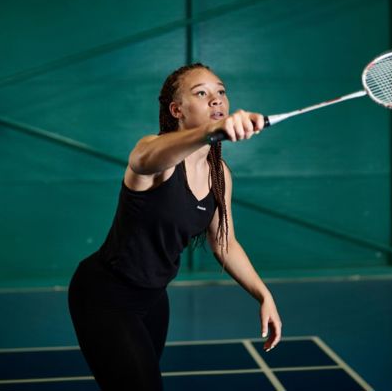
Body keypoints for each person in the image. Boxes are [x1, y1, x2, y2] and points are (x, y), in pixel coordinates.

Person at [68, 63, 282, 390]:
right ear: (177, 110)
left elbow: (224, 244)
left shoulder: (218, 173)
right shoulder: (154, 156)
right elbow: (142, 157)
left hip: (153, 299)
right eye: (202, 93)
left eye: (221, 91)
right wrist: (213, 132)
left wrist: (264, 295)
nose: (216, 100)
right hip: (105, 295)